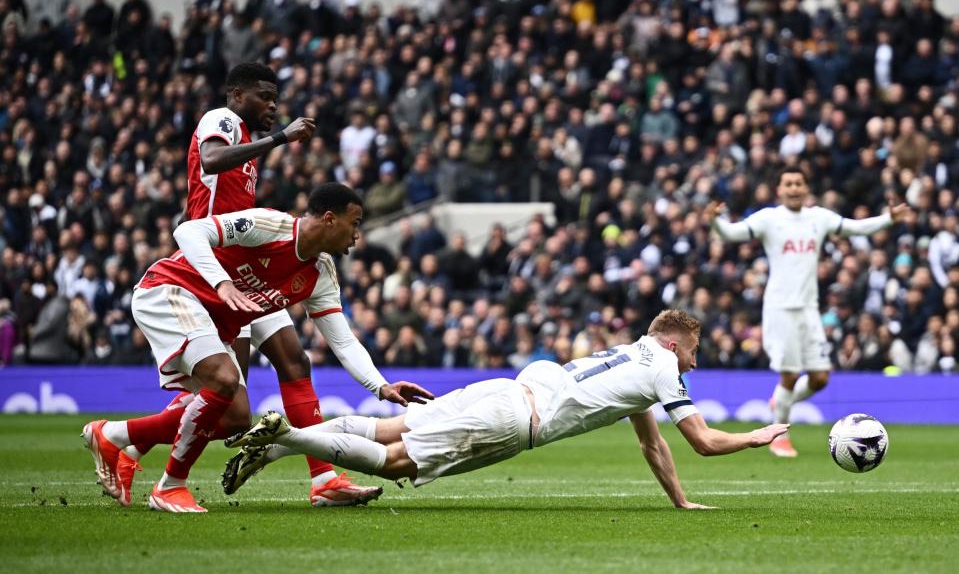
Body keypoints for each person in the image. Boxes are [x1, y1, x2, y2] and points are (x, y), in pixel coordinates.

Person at [85, 63, 376, 509]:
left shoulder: (251, 157)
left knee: (295, 363)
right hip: (210, 269)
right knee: (230, 405)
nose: (273, 105)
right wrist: (280, 139)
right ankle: (129, 443)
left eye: (276, 97)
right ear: (237, 95)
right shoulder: (222, 122)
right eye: (265, 95)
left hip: (249, 266)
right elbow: (211, 160)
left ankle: (324, 479)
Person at [83, 183, 433, 513]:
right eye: (354, 223)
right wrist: (221, 283)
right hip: (170, 290)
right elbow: (187, 231)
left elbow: (342, 340)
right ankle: (170, 485)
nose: (358, 235)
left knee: (235, 419)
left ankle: (114, 434)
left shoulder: (321, 272)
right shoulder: (269, 225)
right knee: (224, 377)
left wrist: (381, 386)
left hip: (213, 319)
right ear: (330, 219)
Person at [222, 310, 789, 509]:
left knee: (387, 425)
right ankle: (291, 439)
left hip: (508, 388)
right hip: (517, 420)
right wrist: (758, 435)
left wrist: (681, 500)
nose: (693, 365)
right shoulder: (664, 368)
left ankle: (277, 443)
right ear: (672, 345)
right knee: (394, 461)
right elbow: (702, 440)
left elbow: (652, 443)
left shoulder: (633, 357)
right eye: (693, 352)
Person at [702, 167, 910, 457]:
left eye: (799, 183)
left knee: (820, 378)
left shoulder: (818, 217)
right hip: (779, 308)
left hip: (809, 309)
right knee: (789, 374)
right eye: (788, 183)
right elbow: (732, 233)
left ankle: (780, 402)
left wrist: (889, 218)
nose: (794, 188)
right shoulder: (769, 219)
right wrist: (715, 221)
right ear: (779, 189)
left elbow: (855, 227)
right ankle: (778, 435)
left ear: (806, 188)